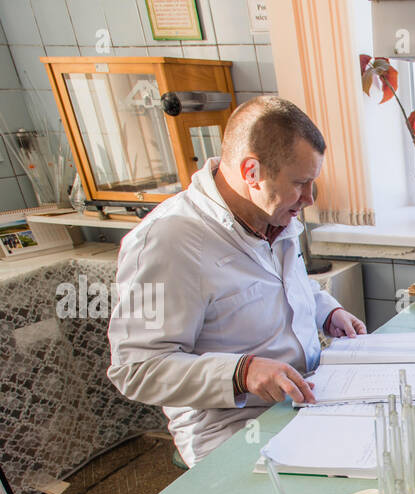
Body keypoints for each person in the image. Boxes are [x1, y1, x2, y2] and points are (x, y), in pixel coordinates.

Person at [107, 96, 366, 466]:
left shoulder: (274, 212)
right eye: (301, 183)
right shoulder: (168, 242)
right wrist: (241, 372)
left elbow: (286, 284)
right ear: (251, 173)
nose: (309, 198)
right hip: (234, 427)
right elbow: (135, 368)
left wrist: (328, 310)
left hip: (306, 397)